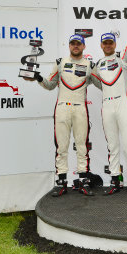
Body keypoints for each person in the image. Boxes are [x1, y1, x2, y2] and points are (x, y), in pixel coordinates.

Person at [24, 34, 101, 197]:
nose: (75, 46)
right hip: (62, 108)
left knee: (82, 146)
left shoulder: (90, 65)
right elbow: (50, 84)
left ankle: (83, 182)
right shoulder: (60, 63)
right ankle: (61, 183)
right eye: (73, 43)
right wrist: (37, 77)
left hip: (80, 108)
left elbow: (102, 84)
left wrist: (119, 86)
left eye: (78, 44)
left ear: (83, 46)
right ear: (69, 46)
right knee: (62, 147)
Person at [91, 27, 127, 197]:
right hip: (107, 105)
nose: (107, 45)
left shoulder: (122, 58)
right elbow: (100, 84)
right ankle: (115, 181)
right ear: (101, 45)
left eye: (110, 42)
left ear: (114, 44)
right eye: (105, 43)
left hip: (122, 103)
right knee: (113, 146)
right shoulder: (98, 65)